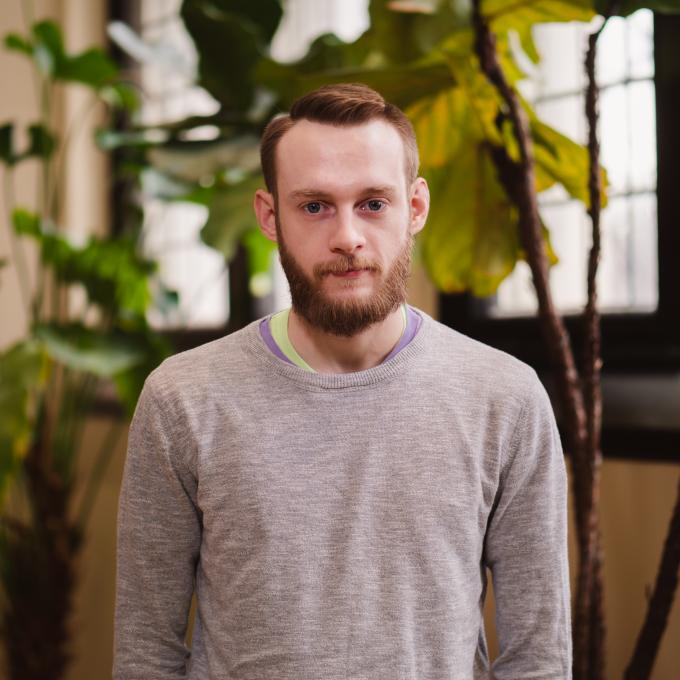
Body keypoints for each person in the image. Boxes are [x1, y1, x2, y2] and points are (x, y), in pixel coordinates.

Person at [113, 83, 572, 679]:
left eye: (373, 204)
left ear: (416, 208)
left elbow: (538, 658)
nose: (347, 237)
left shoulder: (506, 400)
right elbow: (146, 648)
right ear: (269, 216)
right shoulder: (183, 399)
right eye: (314, 206)